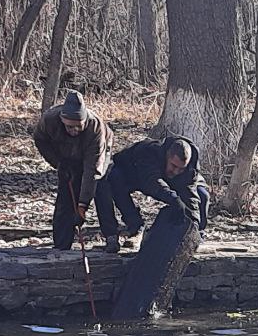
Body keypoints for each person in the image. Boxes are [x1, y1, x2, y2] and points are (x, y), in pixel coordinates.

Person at [95, 136, 209, 253]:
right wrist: (174, 199)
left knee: (202, 194)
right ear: (166, 156)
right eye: (173, 166)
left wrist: (192, 227)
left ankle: (198, 234)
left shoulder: (190, 169)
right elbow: (152, 182)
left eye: (181, 169)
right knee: (109, 181)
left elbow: (191, 197)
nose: (176, 172)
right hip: (131, 173)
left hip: (162, 181)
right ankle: (124, 230)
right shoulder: (148, 151)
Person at [33, 91, 112, 250]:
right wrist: (58, 163)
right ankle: (62, 242)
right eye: (70, 126)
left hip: (96, 154)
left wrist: (82, 206)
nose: (75, 130)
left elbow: (92, 171)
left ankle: (111, 236)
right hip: (67, 155)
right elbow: (40, 140)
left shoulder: (95, 128)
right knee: (66, 192)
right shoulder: (49, 120)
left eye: (79, 126)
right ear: (62, 120)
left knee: (100, 187)